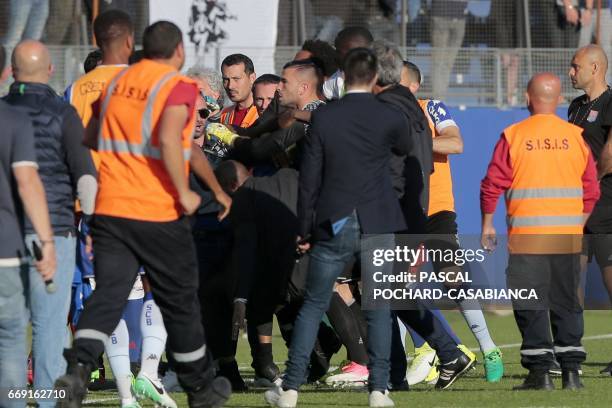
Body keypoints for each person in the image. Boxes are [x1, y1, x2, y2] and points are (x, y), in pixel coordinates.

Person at [54, 21, 232, 408]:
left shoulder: (114, 86)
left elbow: (89, 137)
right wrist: (189, 191)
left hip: (110, 210)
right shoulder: (177, 86)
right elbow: (174, 140)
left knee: (108, 296)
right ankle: (200, 390)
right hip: (155, 211)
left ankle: (77, 372)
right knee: (179, 300)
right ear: (179, 52)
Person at [265, 47, 411, 408]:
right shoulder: (388, 113)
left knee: (314, 303)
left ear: (342, 77)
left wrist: (305, 228)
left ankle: (292, 389)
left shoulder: (326, 118)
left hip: (335, 217)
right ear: (375, 76)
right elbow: (405, 146)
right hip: (377, 218)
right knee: (378, 309)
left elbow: (310, 179)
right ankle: (378, 389)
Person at [481, 72, 600, 390]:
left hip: (527, 239)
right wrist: (577, 223)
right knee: (566, 303)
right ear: (559, 100)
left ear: (527, 98)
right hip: (566, 238)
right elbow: (591, 191)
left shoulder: (514, 135)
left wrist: (487, 223)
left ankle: (539, 374)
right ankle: (572, 374)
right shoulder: (575, 137)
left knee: (530, 303)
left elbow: (492, 185)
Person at [3, 39, 97, 408]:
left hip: (5, 234)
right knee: (50, 328)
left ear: (12, 72)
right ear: (51, 71)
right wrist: (90, 223)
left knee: (9, 333)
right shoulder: (64, 113)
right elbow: (86, 181)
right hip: (54, 230)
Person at [401, 61, 504, 383]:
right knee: (396, 287)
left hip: (436, 212)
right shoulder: (384, 116)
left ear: (415, 86)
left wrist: (415, 145)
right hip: (400, 214)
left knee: (452, 280)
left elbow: (455, 143)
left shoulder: (431, 108)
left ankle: (488, 348)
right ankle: (418, 355)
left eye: (399, 82)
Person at [0, 46, 56, 408]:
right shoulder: (13, 119)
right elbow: (27, 183)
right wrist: (47, 241)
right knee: (9, 336)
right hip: (5, 246)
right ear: (6, 73)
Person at [568, 44, 612, 374]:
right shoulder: (575, 106)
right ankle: (571, 353)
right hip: (574, 209)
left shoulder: (611, 102)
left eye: (575, 66)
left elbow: (609, 156)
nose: (571, 72)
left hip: (606, 208)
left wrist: (589, 187)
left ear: (595, 69)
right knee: (570, 281)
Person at [429, 0, 469, 100]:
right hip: (440, 16)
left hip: (459, 17)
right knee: (439, 62)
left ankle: (441, 96)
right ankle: (438, 99)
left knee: (448, 62)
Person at [322, 26, 373, 100]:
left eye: (340, 52)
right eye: (336, 50)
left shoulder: (383, 78)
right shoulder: (334, 81)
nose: (336, 56)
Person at [220, 53, 259, 127]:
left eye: (236, 79)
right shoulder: (224, 115)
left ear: (252, 78)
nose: (230, 86)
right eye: (226, 80)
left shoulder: (264, 113)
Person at [578, 1, 612, 66]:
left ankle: (606, 75)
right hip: (585, 9)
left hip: (604, 9)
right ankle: (581, 74)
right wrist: (588, 9)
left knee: (606, 48)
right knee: (583, 47)